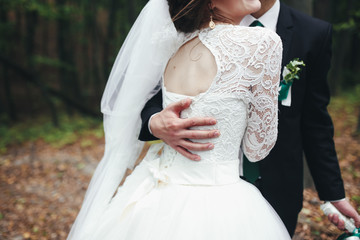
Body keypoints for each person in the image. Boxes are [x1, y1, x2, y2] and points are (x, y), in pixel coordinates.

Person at [67, 0, 292, 239]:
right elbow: (256, 148)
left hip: (154, 193)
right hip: (218, 196)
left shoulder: (174, 45)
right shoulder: (262, 42)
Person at [139, 0, 360, 236]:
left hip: (276, 186)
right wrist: (155, 122)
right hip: (194, 185)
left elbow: (316, 122)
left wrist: (332, 193)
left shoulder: (312, 32)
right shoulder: (186, 32)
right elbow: (153, 98)